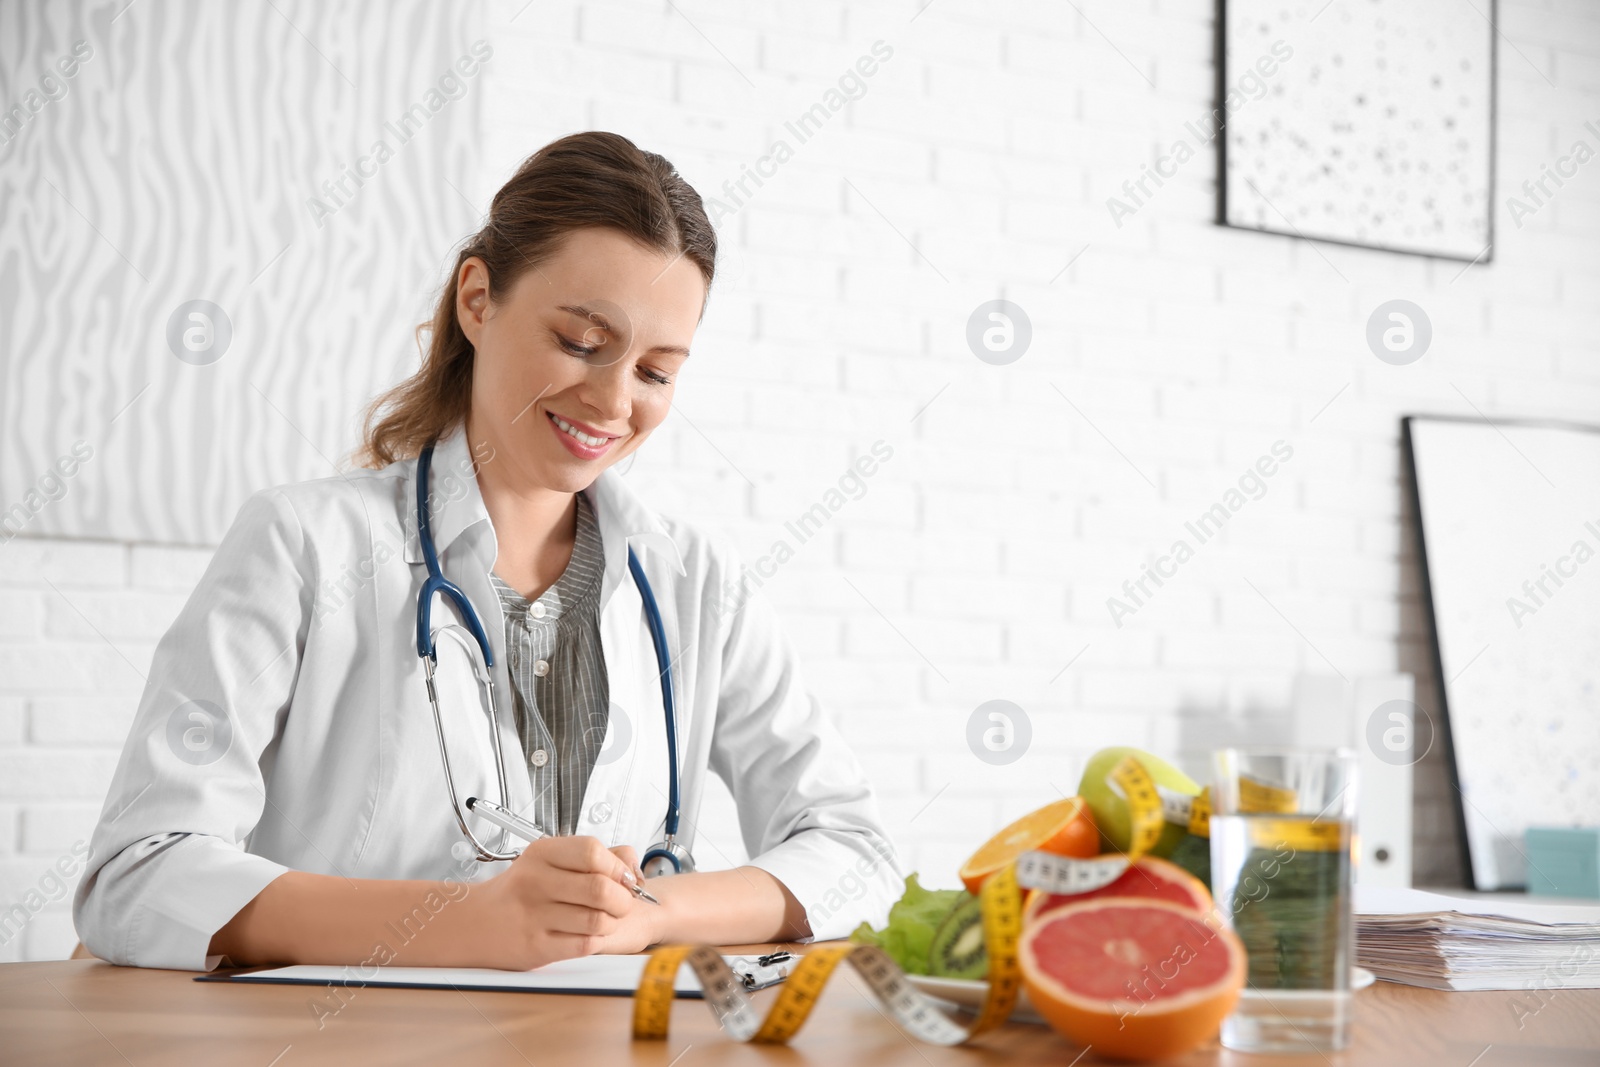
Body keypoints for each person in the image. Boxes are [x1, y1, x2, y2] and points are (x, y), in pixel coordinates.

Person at [73, 131, 902, 971]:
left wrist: (645, 913)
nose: (613, 400)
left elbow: (857, 853)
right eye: (581, 340)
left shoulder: (696, 584)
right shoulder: (304, 546)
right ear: (478, 299)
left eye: (655, 371)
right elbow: (136, 875)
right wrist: (469, 923)